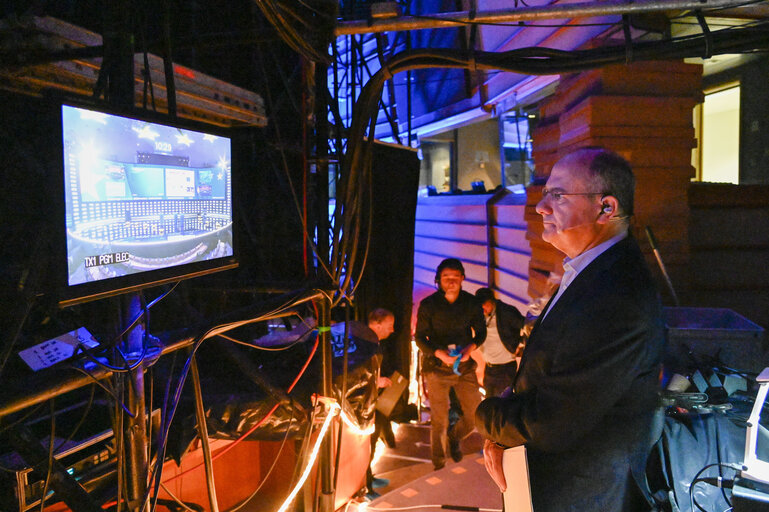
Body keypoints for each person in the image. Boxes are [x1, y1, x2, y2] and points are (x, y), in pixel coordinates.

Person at [475, 147, 665, 511]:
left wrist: (488, 419)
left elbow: (551, 423)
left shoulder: (615, 296)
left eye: (557, 195)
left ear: (605, 208)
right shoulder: (592, 273)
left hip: (582, 495)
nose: (541, 207)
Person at [415, 258, 487, 470]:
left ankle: (454, 438)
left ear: (462, 278)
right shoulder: (428, 305)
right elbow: (420, 338)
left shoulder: (471, 303)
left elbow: (481, 332)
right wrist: (439, 354)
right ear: (439, 279)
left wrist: (470, 349)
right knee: (439, 419)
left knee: (474, 415)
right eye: (446, 277)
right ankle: (438, 464)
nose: (451, 281)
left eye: (455, 276)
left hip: (464, 366)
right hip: (437, 368)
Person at [474, 288, 525, 398]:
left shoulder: (507, 312)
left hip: (505, 369)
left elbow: (526, 326)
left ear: (492, 301)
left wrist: (520, 344)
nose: (483, 309)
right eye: (480, 306)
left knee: (502, 403)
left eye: (485, 305)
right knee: (490, 402)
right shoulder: (480, 316)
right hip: (489, 368)